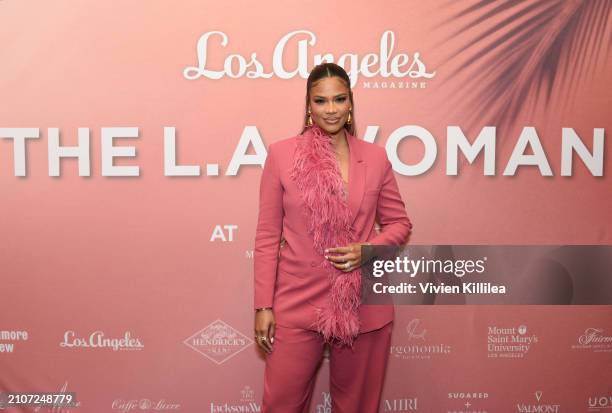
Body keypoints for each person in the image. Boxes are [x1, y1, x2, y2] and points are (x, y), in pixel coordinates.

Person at [253, 62, 413, 412]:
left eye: (339, 99)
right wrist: (263, 306)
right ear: (309, 105)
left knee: (356, 406)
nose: (331, 109)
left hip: (361, 301)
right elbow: (267, 236)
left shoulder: (375, 156)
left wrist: (368, 250)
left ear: (350, 103)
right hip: (298, 299)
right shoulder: (282, 155)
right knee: (281, 403)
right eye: (321, 101)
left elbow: (400, 224)